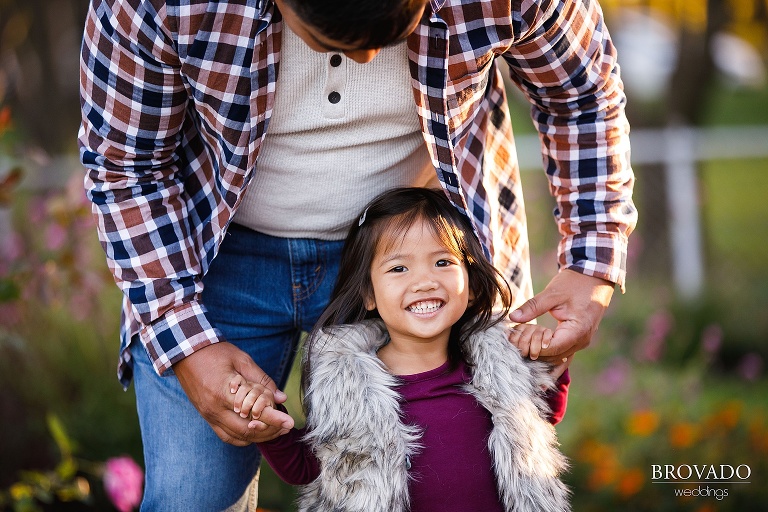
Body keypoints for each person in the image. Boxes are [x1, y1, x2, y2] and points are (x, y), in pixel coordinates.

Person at [78, 0, 636, 508]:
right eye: (339, 41)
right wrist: (184, 340)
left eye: (395, 31)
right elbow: (125, 165)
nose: (370, 58)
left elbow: (582, 96)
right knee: (189, 499)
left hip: (413, 261)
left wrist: (591, 264)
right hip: (214, 260)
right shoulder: (159, 5)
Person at [233, 188, 570, 512]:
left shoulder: (498, 367)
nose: (424, 281)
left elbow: (543, 418)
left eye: (442, 262)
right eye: (399, 268)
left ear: (470, 284)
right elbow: (309, 467)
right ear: (369, 294)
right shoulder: (349, 387)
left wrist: (548, 361)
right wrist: (271, 427)